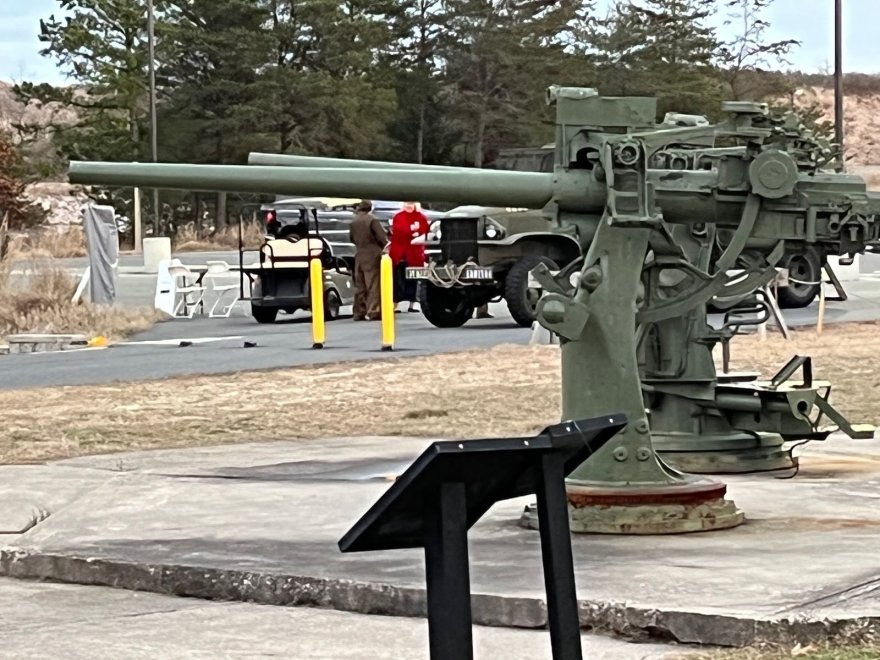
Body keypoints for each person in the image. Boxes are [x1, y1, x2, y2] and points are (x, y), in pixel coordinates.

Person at [349, 200, 388, 321]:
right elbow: (382, 238)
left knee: (360, 285)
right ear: (370, 208)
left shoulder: (353, 221)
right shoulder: (372, 220)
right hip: (372, 255)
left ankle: (358, 312)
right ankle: (373, 311)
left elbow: (351, 238)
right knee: (373, 284)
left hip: (359, 254)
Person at [389, 201, 430, 312]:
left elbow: (425, 230)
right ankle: (395, 303)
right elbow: (399, 231)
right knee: (398, 280)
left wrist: (415, 231)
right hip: (400, 254)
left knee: (414, 280)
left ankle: (412, 304)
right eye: (407, 203)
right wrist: (412, 230)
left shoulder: (421, 217)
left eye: (411, 203)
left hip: (415, 254)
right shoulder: (398, 216)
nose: (409, 205)